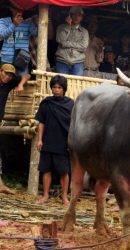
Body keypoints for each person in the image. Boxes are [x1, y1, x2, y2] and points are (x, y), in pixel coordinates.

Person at [35, 75, 74, 205]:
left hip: (63, 142)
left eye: (59, 87)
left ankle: (64, 197)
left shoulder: (70, 104)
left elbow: (74, 125)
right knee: (46, 169)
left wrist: (71, 142)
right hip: (48, 140)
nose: (56, 90)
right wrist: (40, 139)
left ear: (64, 89)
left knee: (64, 171)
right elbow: (41, 122)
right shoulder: (46, 103)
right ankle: (45, 195)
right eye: (54, 87)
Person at [0, 64, 29, 194]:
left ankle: (0, 185)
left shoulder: (8, 84)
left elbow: (27, 75)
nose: (8, 77)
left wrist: (21, 84)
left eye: (11, 75)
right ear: (0, 71)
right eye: (6, 74)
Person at [0, 3, 38, 75]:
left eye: (21, 8)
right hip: (7, 57)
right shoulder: (3, 21)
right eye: (16, 8)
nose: (19, 10)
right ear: (11, 8)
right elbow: (2, 35)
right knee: (4, 81)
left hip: (22, 58)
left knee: (21, 80)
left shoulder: (28, 22)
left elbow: (36, 33)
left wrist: (37, 22)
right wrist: (14, 24)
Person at [55, 6, 89, 76]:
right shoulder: (61, 27)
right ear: (70, 16)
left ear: (82, 17)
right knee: (61, 83)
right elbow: (60, 40)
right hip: (62, 61)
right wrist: (67, 26)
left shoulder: (85, 32)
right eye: (74, 14)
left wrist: (66, 44)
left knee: (76, 85)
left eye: (79, 15)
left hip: (78, 62)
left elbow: (83, 46)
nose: (76, 17)